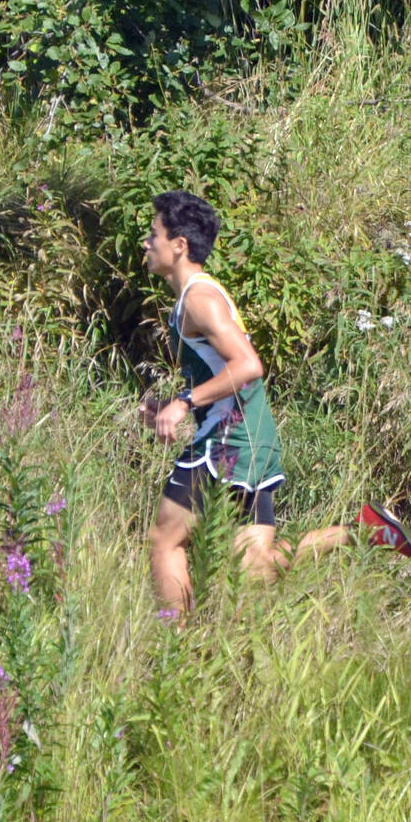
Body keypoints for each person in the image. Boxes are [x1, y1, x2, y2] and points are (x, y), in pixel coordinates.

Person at [140, 191, 290, 611]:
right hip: (252, 437)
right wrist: (168, 407)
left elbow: (247, 366)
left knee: (164, 540)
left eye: (154, 235)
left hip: (228, 442)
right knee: (255, 567)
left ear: (179, 245)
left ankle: (177, 651)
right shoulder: (193, 297)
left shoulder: (199, 299)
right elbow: (223, 373)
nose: (147, 243)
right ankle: (360, 533)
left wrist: (185, 402)